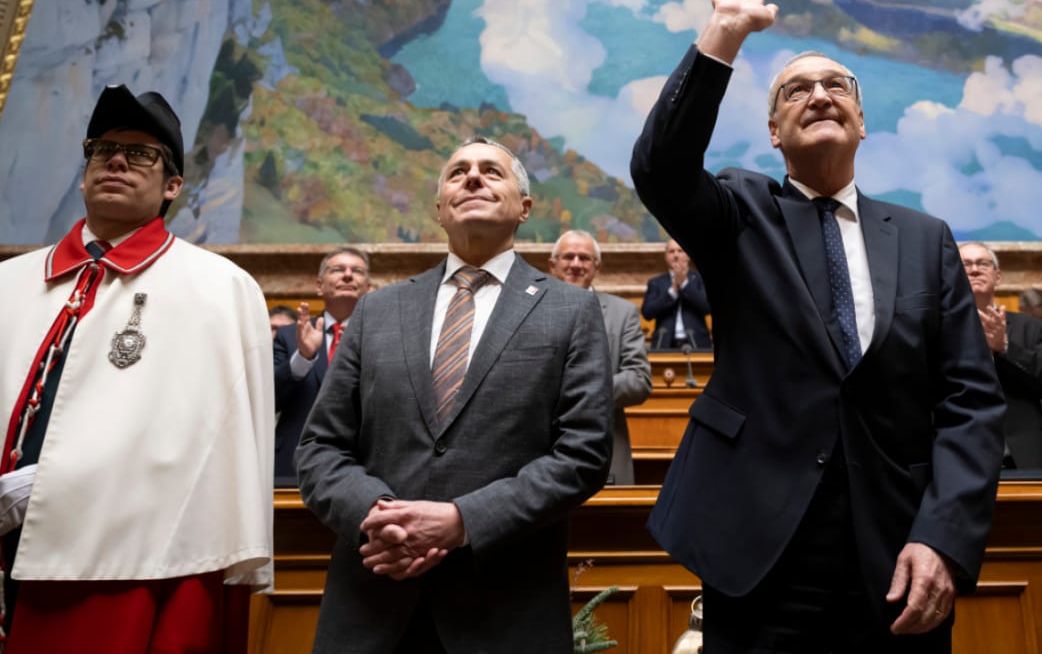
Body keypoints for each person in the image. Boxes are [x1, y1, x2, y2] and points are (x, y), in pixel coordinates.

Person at [631, 0, 1005, 651]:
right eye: (796, 90)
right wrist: (724, 34)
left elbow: (970, 404)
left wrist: (944, 538)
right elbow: (660, 167)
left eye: (837, 86)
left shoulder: (925, 239)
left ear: (862, 122)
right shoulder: (740, 213)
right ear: (774, 132)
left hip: (896, 551)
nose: (820, 94)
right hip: (759, 545)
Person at [295, 136, 613, 653]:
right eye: (457, 171)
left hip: (504, 609)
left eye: (492, 171)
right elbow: (319, 448)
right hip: (375, 600)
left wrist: (461, 522)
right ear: (440, 208)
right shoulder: (377, 311)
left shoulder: (571, 312)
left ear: (524, 207)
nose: (472, 177)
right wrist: (378, 515)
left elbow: (583, 455)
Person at [0, 84, 273, 653]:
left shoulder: (218, 290)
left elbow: (211, 453)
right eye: (102, 150)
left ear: (173, 185)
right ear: (83, 175)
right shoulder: (9, 284)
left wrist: (56, 483)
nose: (117, 160)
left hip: (126, 567)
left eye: (142, 153)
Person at [549, 230, 653, 484]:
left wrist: (580, 393)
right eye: (568, 257)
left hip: (604, 454)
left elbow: (639, 380)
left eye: (584, 258)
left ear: (597, 267)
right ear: (553, 265)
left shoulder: (623, 312)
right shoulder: (527, 310)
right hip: (539, 456)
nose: (576, 264)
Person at [960, 242, 1042, 469]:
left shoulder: (1030, 327)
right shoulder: (935, 327)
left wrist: (1004, 347)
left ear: (997, 277)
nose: (974, 269)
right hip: (957, 456)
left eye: (983, 263)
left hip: (1022, 456)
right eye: (965, 264)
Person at [272, 246, 372, 483]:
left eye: (357, 271)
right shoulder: (289, 335)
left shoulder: (385, 336)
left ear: (368, 288)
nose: (348, 275)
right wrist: (303, 358)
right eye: (338, 270)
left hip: (364, 469)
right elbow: (269, 399)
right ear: (320, 285)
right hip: (293, 464)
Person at [642, 239, 712, 351]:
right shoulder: (656, 283)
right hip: (664, 343)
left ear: (688, 255)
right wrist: (673, 290)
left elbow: (707, 307)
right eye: (671, 251)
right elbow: (647, 313)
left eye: (680, 251)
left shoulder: (700, 279)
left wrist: (684, 284)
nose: (676, 255)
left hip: (696, 343)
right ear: (665, 257)